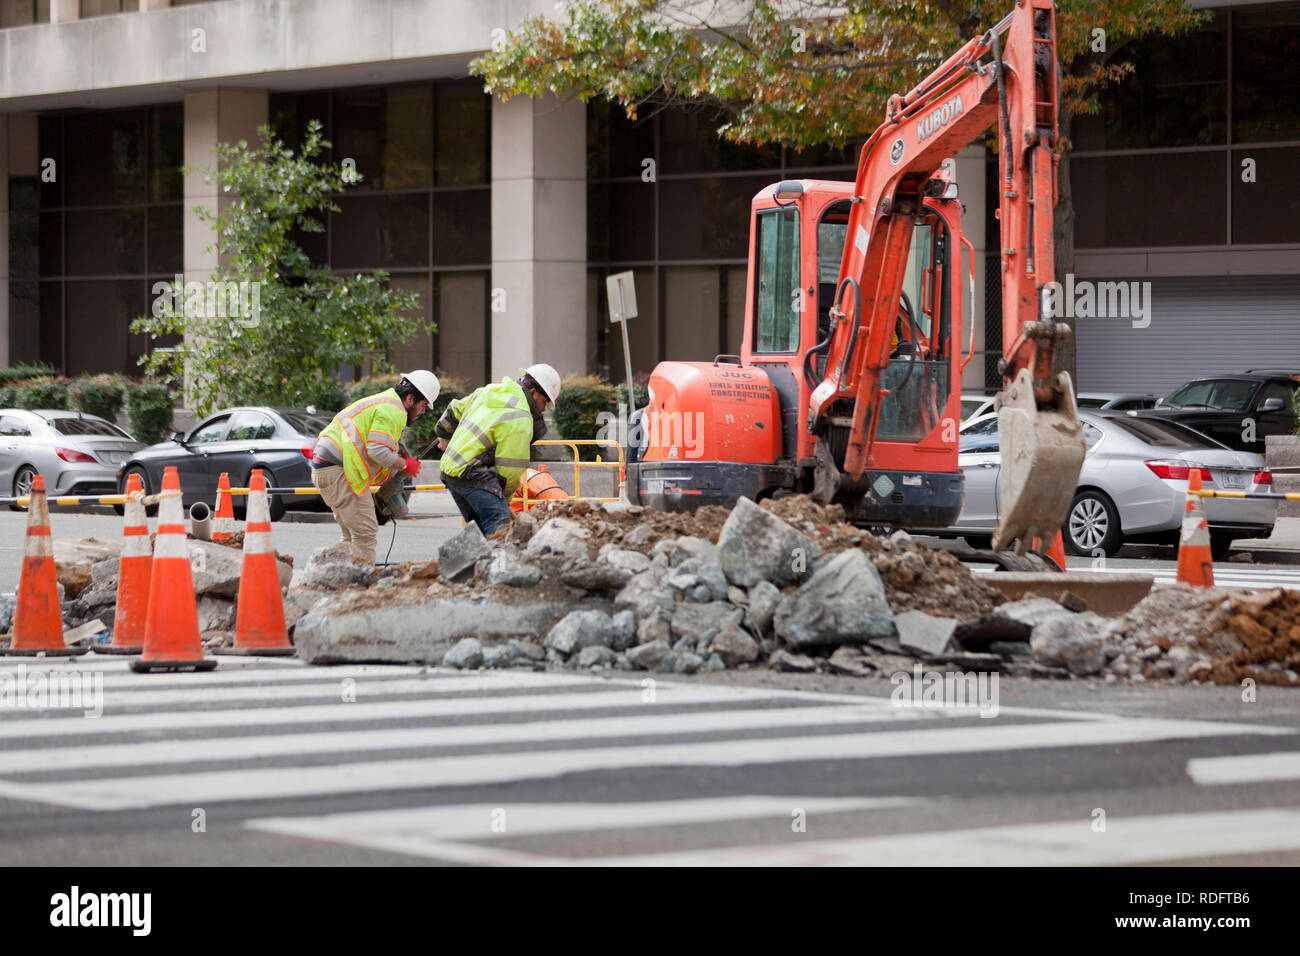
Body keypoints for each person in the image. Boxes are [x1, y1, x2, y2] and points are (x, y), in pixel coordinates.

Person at [311, 370, 440, 564]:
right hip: (339, 470)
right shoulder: (393, 410)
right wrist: (406, 465)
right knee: (365, 534)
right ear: (410, 398)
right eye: (423, 405)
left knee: (350, 538)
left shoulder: (384, 403)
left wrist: (396, 470)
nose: (423, 411)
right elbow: (377, 450)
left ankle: (335, 579)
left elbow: (374, 450)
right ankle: (358, 589)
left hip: (328, 468)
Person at [435, 363, 562, 535]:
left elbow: (450, 414)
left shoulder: (489, 391)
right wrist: (505, 501)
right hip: (473, 475)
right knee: (500, 530)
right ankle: (497, 562)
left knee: (479, 531)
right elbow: (510, 471)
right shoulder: (521, 418)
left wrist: (447, 442)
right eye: (544, 402)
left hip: (450, 473)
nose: (543, 409)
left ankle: (470, 560)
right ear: (533, 393)